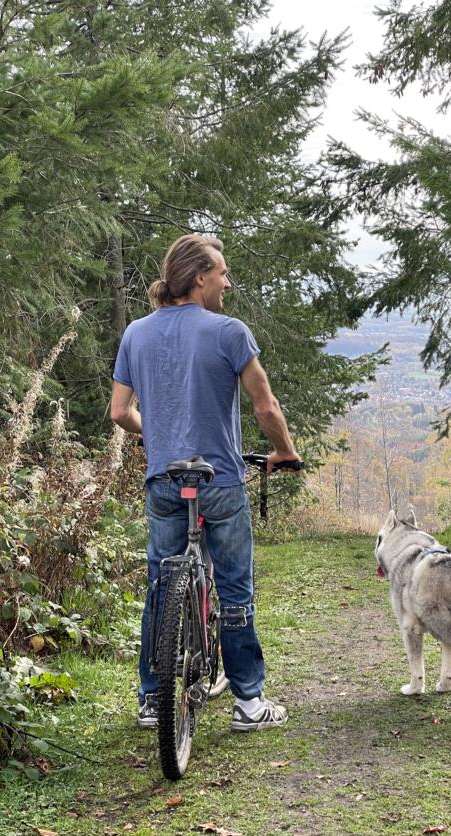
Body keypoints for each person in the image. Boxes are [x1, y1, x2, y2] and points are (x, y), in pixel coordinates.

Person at [110, 233, 302, 732]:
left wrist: (161, 432)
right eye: (221, 272)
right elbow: (266, 406)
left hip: (164, 480)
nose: (227, 281)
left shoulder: (136, 333)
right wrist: (284, 451)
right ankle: (249, 704)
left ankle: (152, 702)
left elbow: (119, 412)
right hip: (218, 480)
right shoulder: (229, 332)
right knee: (235, 589)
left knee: (160, 584)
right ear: (199, 278)